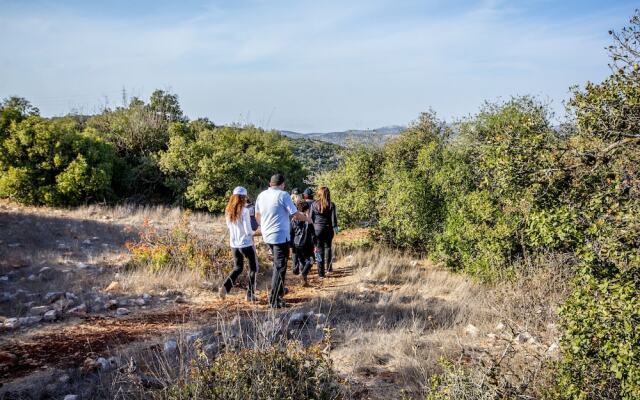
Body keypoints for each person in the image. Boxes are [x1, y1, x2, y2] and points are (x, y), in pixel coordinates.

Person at [255, 174, 312, 308]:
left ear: (270, 183)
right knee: (280, 267)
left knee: (277, 264)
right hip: (279, 235)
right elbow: (295, 214)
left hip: (267, 234)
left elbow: (257, 216)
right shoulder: (283, 195)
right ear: (282, 184)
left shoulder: (261, 195)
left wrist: (264, 227)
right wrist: (307, 218)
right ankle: (275, 300)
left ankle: (279, 290)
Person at [219, 186, 258, 302]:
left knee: (238, 268)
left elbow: (229, 227)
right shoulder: (245, 211)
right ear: (243, 197)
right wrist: (257, 232)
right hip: (246, 244)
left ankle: (225, 287)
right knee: (253, 268)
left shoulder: (228, 211)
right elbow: (248, 231)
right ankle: (250, 295)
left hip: (234, 244)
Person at [311, 186, 338, 276]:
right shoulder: (331, 204)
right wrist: (336, 229)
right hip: (328, 229)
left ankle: (320, 273)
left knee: (318, 250)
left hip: (317, 230)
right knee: (328, 248)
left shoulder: (314, 204)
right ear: (328, 194)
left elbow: (311, 218)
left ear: (319, 194)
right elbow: (334, 219)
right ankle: (329, 269)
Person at [290, 199, 316, 286]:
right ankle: (303, 274)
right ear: (307, 209)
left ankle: (304, 281)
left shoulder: (293, 219)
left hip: (297, 244)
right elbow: (313, 233)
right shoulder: (308, 220)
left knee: (302, 262)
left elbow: (291, 232)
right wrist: (316, 244)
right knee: (311, 260)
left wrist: (291, 245)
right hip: (307, 243)